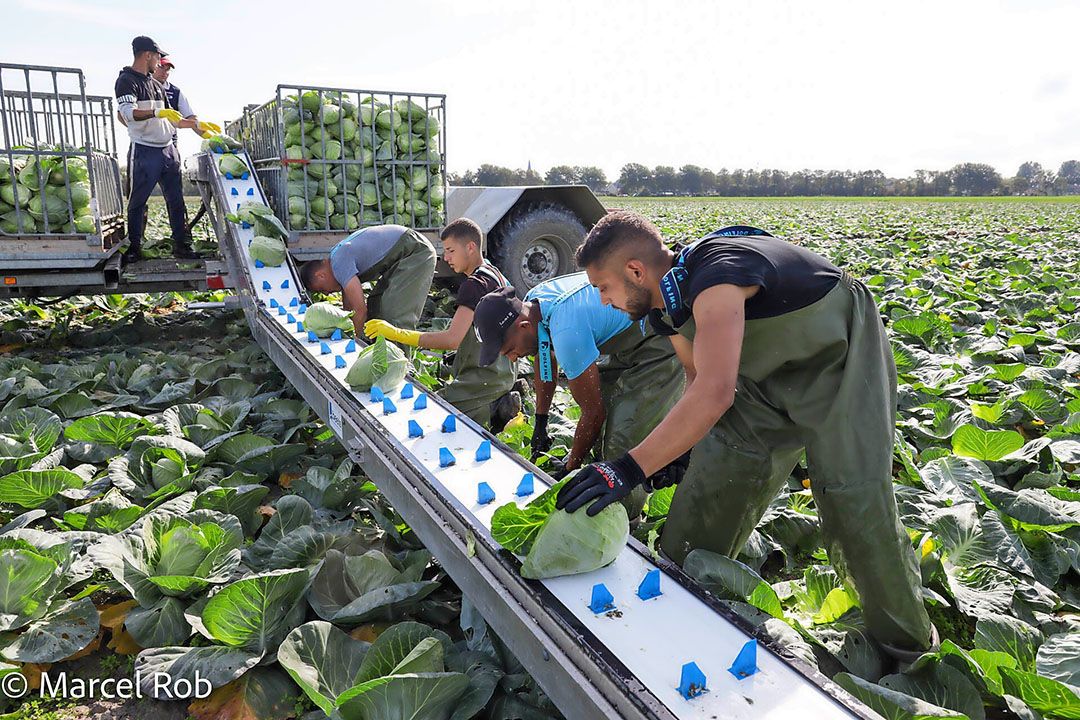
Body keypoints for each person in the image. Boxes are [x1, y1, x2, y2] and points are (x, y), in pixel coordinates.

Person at [558, 210, 934, 660]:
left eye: (603, 287)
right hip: (762, 381)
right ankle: (677, 610)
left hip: (837, 358)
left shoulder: (715, 274)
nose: (602, 301)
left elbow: (716, 393)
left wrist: (626, 469)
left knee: (852, 499)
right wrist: (682, 451)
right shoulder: (667, 312)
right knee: (713, 485)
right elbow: (699, 382)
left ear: (635, 271)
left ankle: (909, 651)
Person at [472, 271, 684, 517]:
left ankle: (624, 515)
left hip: (657, 341)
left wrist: (569, 469)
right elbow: (544, 357)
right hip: (624, 334)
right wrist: (541, 422)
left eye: (509, 349)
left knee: (623, 440)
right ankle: (596, 479)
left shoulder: (566, 331)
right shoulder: (534, 303)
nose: (511, 357)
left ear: (522, 325)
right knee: (603, 414)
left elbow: (593, 413)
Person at [363, 218, 521, 430]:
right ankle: (497, 406)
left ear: (471, 247)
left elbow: (451, 340)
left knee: (431, 413)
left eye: (450, 251)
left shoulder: (474, 286)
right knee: (465, 422)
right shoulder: (494, 273)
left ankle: (497, 410)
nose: (445, 258)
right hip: (504, 371)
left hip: (484, 377)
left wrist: (396, 332)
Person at [114, 36, 219, 262]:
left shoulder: (155, 85)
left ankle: (182, 246)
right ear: (147, 55)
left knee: (176, 200)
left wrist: (198, 124)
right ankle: (134, 248)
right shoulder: (126, 81)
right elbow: (127, 113)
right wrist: (156, 112)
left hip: (167, 150)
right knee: (137, 201)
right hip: (144, 150)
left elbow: (176, 120)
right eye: (158, 56)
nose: (160, 61)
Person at [299, 223, 436, 337]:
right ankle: (378, 351)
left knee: (394, 315)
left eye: (322, 289)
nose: (327, 293)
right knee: (376, 305)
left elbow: (360, 311)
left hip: (416, 251)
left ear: (320, 275)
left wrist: (352, 341)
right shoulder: (337, 260)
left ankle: (401, 363)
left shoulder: (339, 263)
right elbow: (349, 309)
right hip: (402, 254)